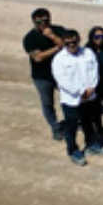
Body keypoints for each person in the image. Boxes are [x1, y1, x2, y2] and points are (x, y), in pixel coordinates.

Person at [52, 29, 102, 166]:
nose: (71, 46)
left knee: (88, 122)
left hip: (89, 96)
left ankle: (91, 144)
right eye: (67, 44)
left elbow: (94, 71)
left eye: (73, 42)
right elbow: (62, 80)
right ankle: (73, 150)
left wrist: (91, 88)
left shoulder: (88, 53)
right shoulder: (59, 59)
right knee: (71, 127)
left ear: (78, 40)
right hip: (71, 100)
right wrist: (80, 92)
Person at [23, 8, 67, 140]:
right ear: (34, 22)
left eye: (46, 20)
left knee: (69, 98)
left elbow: (69, 43)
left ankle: (74, 121)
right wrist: (57, 47)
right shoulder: (30, 38)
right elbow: (38, 57)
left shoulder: (58, 30)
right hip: (42, 76)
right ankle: (55, 128)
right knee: (47, 103)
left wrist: (52, 36)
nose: (44, 23)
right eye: (40, 21)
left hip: (61, 73)